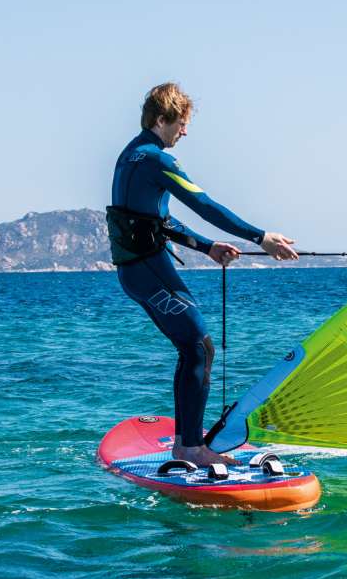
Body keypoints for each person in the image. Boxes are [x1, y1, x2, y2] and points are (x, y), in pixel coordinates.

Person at [108, 82, 298, 467]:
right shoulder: (155, 158)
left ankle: (187, 442)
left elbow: (156, 220)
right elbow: (202, 203)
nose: (186, 131)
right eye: (181, 122)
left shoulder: (131, 156)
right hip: (147, 269)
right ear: (162, 119)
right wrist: (260, 237)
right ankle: (190, 446)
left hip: (138, 271)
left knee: (192, 347)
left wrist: (207, 247)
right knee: (198, 346)